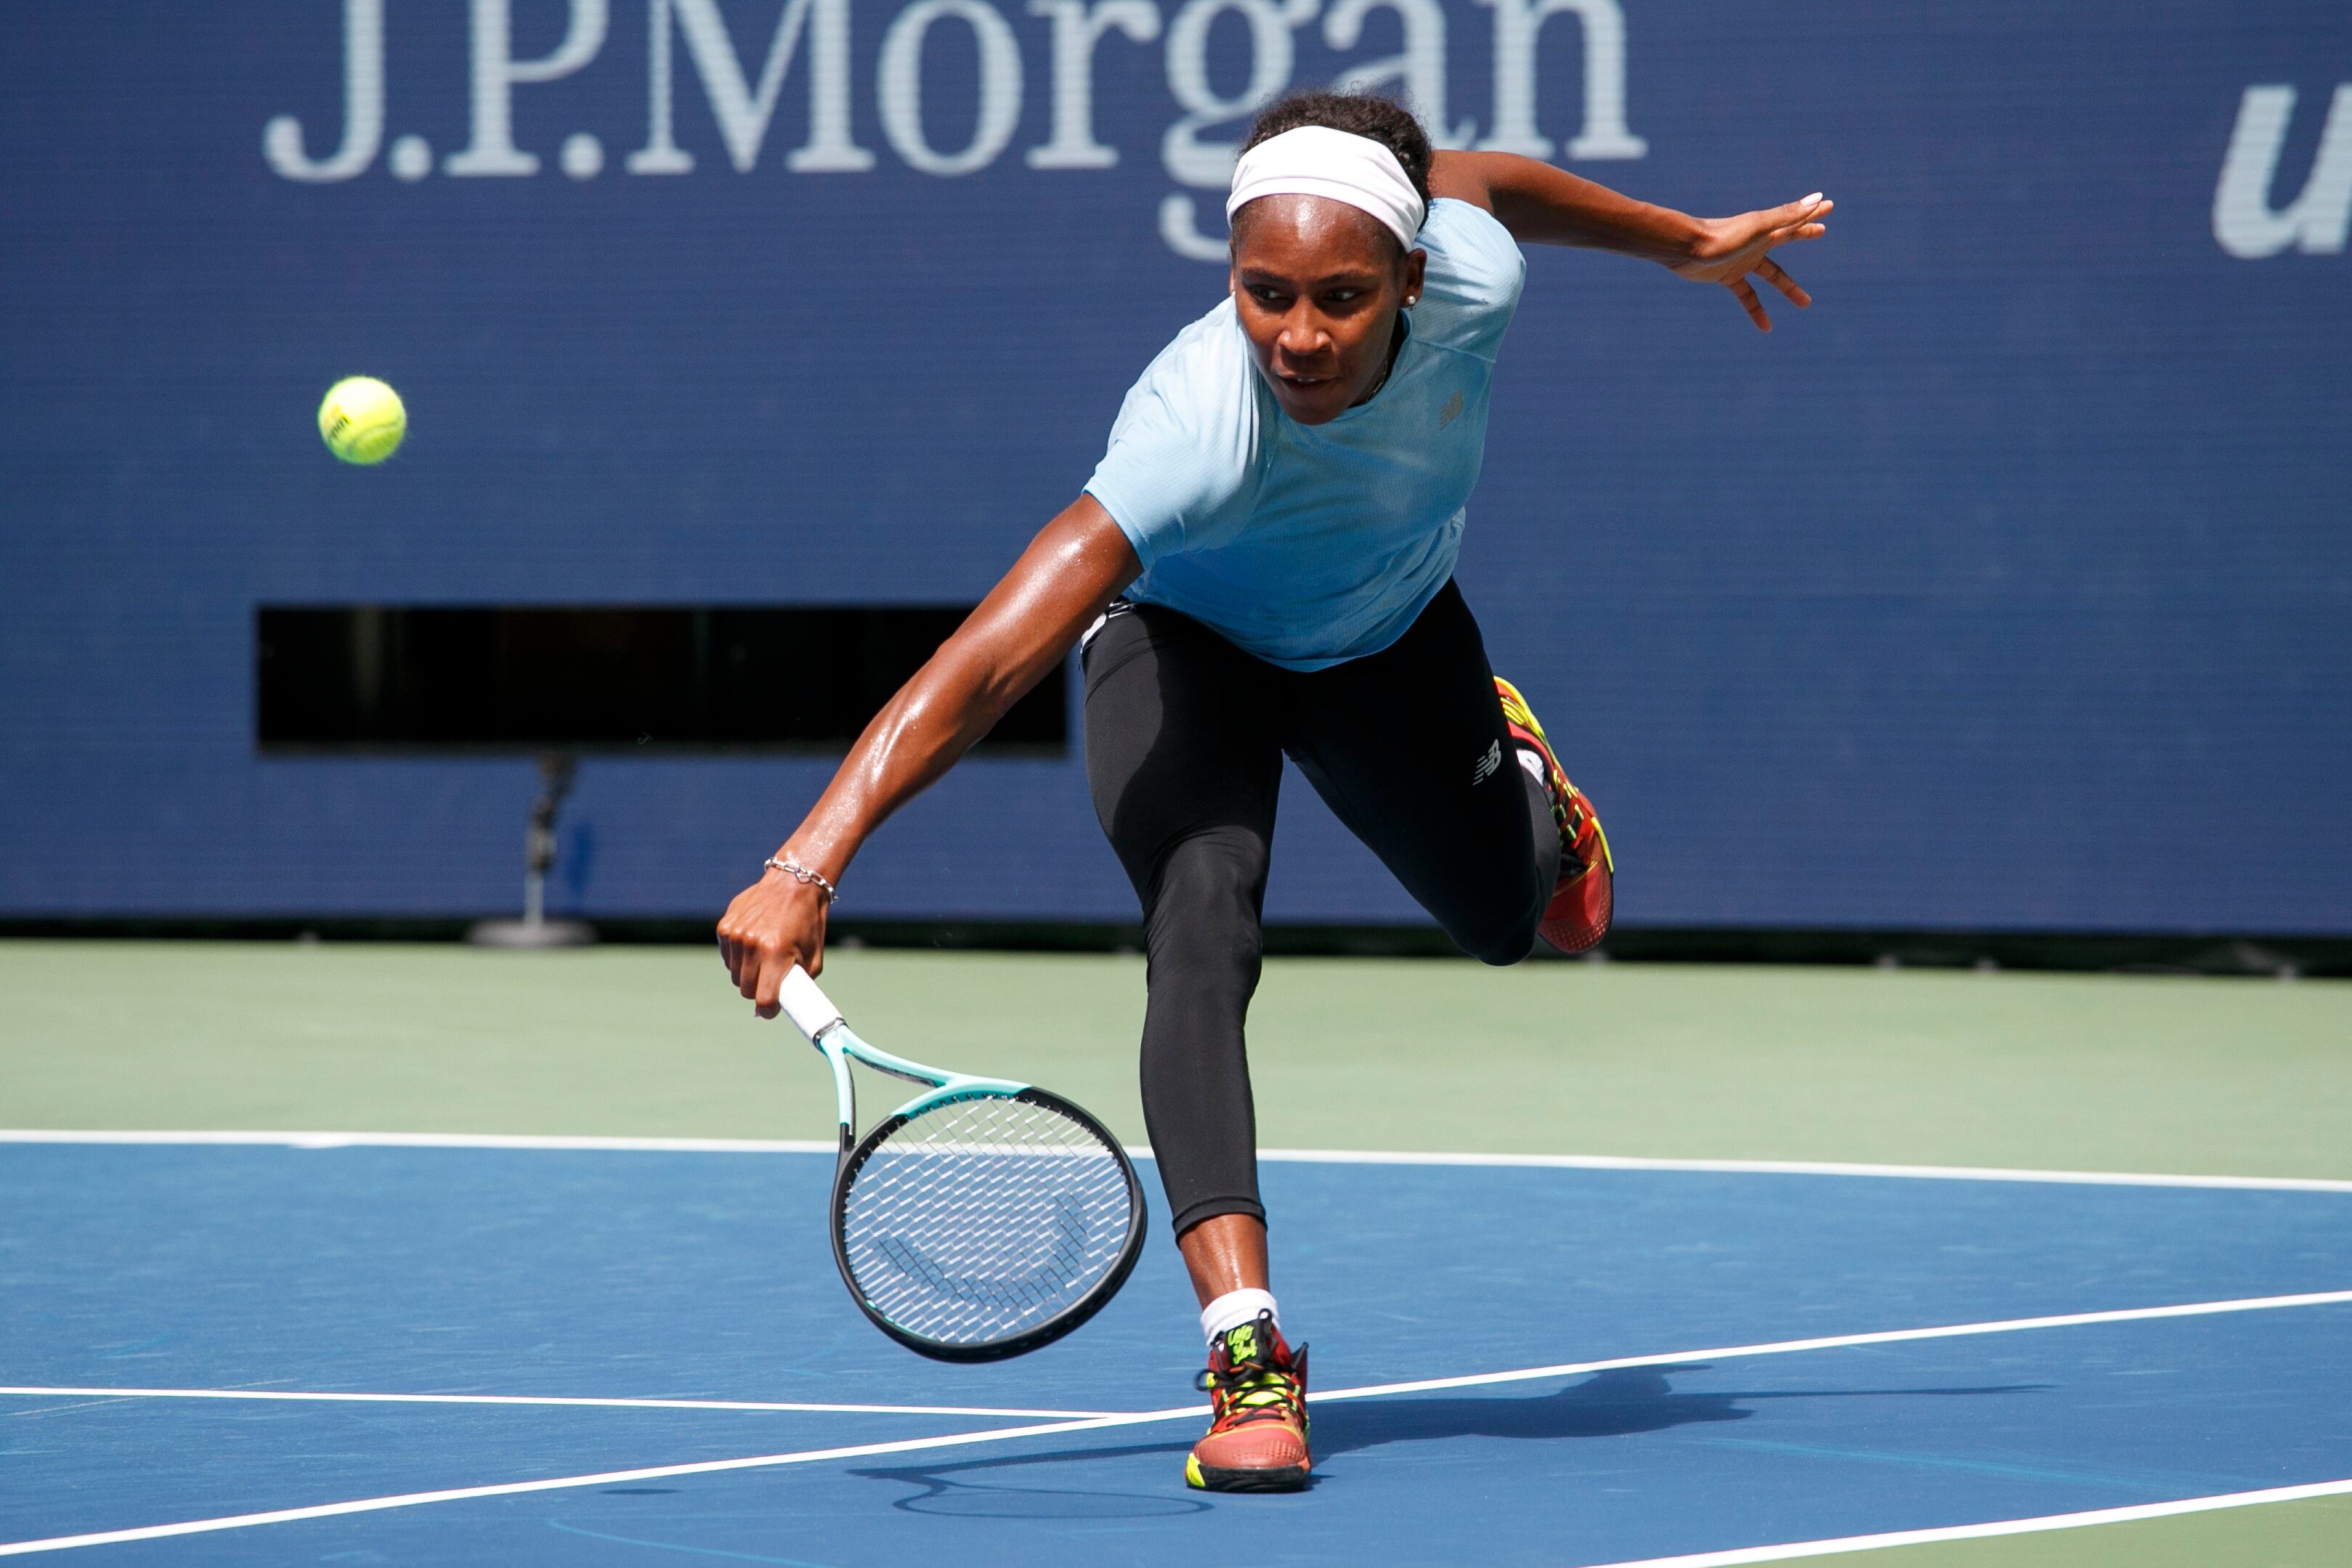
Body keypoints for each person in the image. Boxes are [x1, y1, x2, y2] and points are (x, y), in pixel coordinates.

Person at [718, 89, 1830, 1492]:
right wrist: (806, 862)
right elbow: (995, 655)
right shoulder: (1194, 431)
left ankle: (1533, 796)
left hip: (1391, 639)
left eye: (1342, 298)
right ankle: (1248, 1354)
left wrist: (1681, 243)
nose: (1299, 334)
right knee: (1201, 918)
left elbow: (1484, 180)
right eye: (1266, 294)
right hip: (1188, 645)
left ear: (1413, 278)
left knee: (1517, 921)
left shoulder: (1471, 274)